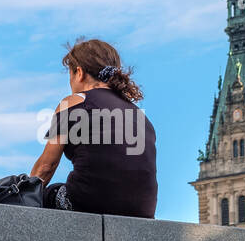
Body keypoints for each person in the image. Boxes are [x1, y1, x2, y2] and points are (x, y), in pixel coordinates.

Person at [30, 37, 157, 217]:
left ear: (79, 73)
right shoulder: (140, 116)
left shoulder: (73, 102)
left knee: (45, 194)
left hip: (89, 201)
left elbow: (46, 166)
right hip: (142, 210)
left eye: (70, 76)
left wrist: (23, 197)